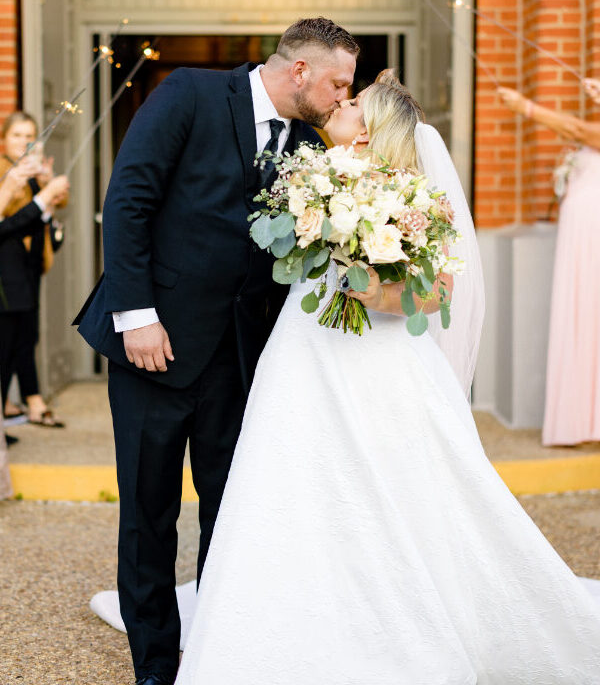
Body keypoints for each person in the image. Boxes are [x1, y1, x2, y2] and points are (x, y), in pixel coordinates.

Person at [168, 72, 600, 684]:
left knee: (390, 487)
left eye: (351, 103)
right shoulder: (311, 175)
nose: (338, 104)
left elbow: (436, 295)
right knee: (289, 479)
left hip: (381, 365)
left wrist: (373, 289)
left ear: (369, 131)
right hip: (303, 356)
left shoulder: (418, 197)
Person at [75, 17, 360, 685]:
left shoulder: (309, 143)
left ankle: (218, 653)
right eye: (339, 83)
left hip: (238, 360)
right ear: (300, 72)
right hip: (156, 347)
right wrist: (136, 315)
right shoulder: (190, 93)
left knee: (231, 515)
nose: (344, 97)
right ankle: (154, 669)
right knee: (149, 515)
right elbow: (129, 201)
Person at [498, 84, 600, 447]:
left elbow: (574, 129)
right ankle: (584, 420)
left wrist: (526, 107)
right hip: (580, 243)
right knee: (584, 318)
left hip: (592, 244)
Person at [0, 111, 67, 427]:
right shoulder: (6, 174)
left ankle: (27, 400)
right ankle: (26, 401)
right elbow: (8, 223)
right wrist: (41, 197)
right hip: (7, 268)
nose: (24, 141)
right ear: (3, 140)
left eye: (30, 136)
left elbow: (45, 225)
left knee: (25, 336)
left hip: (31, 265)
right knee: (10, 339)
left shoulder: (32, 174)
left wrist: (46, 192)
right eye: (17, 135)